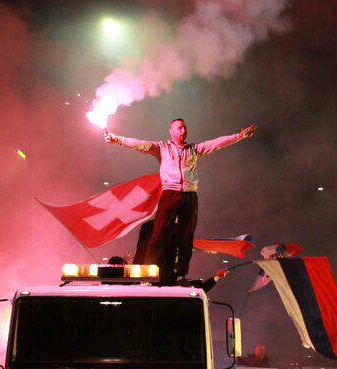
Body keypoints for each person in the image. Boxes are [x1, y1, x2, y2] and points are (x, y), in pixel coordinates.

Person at [104, 119, 257, 285]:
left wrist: (239, 136)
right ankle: (147, 274)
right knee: (158, 234)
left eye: (185, 127)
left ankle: (180, 276)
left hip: (190, 195)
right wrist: (117, 139)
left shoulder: (193, 149)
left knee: (186, 238)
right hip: (170, 193)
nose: (183, 130)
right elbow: (139, 144)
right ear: (171, 131)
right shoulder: (161, 148)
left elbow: (216, 144)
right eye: (179, 128)